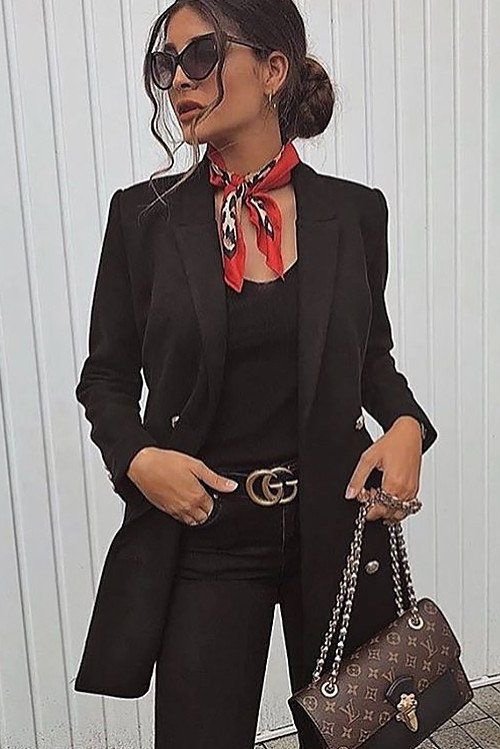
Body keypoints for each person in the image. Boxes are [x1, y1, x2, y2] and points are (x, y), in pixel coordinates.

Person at [73, 1, 438, 747]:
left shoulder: (354, 213)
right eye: (166, 63)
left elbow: (372, 358)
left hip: (337, 528)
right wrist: (138, 459)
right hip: (206, 533)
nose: (179, 80)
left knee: (359, 741)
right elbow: (105, 377)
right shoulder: (143, 219)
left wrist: (407, 426)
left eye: (200, 55)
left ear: (272, 70)